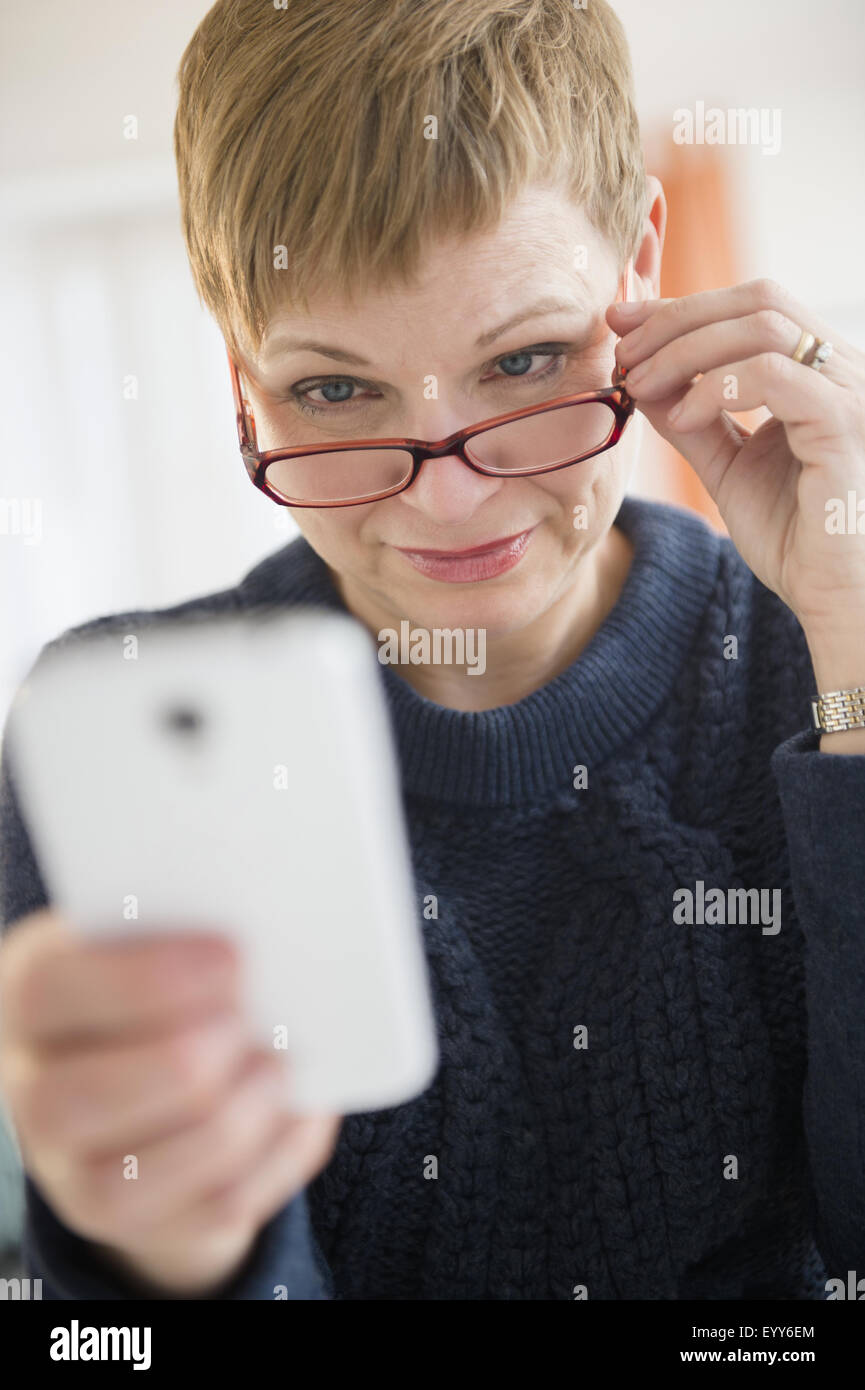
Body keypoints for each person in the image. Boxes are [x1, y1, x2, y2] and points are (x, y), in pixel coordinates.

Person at [1, 0, 864, 1301]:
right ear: (239, 372)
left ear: (640, 260)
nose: (445, 501)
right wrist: (171, 1260)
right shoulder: (114, 740)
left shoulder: (817, 666)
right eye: (333, 390)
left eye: (523, 360)